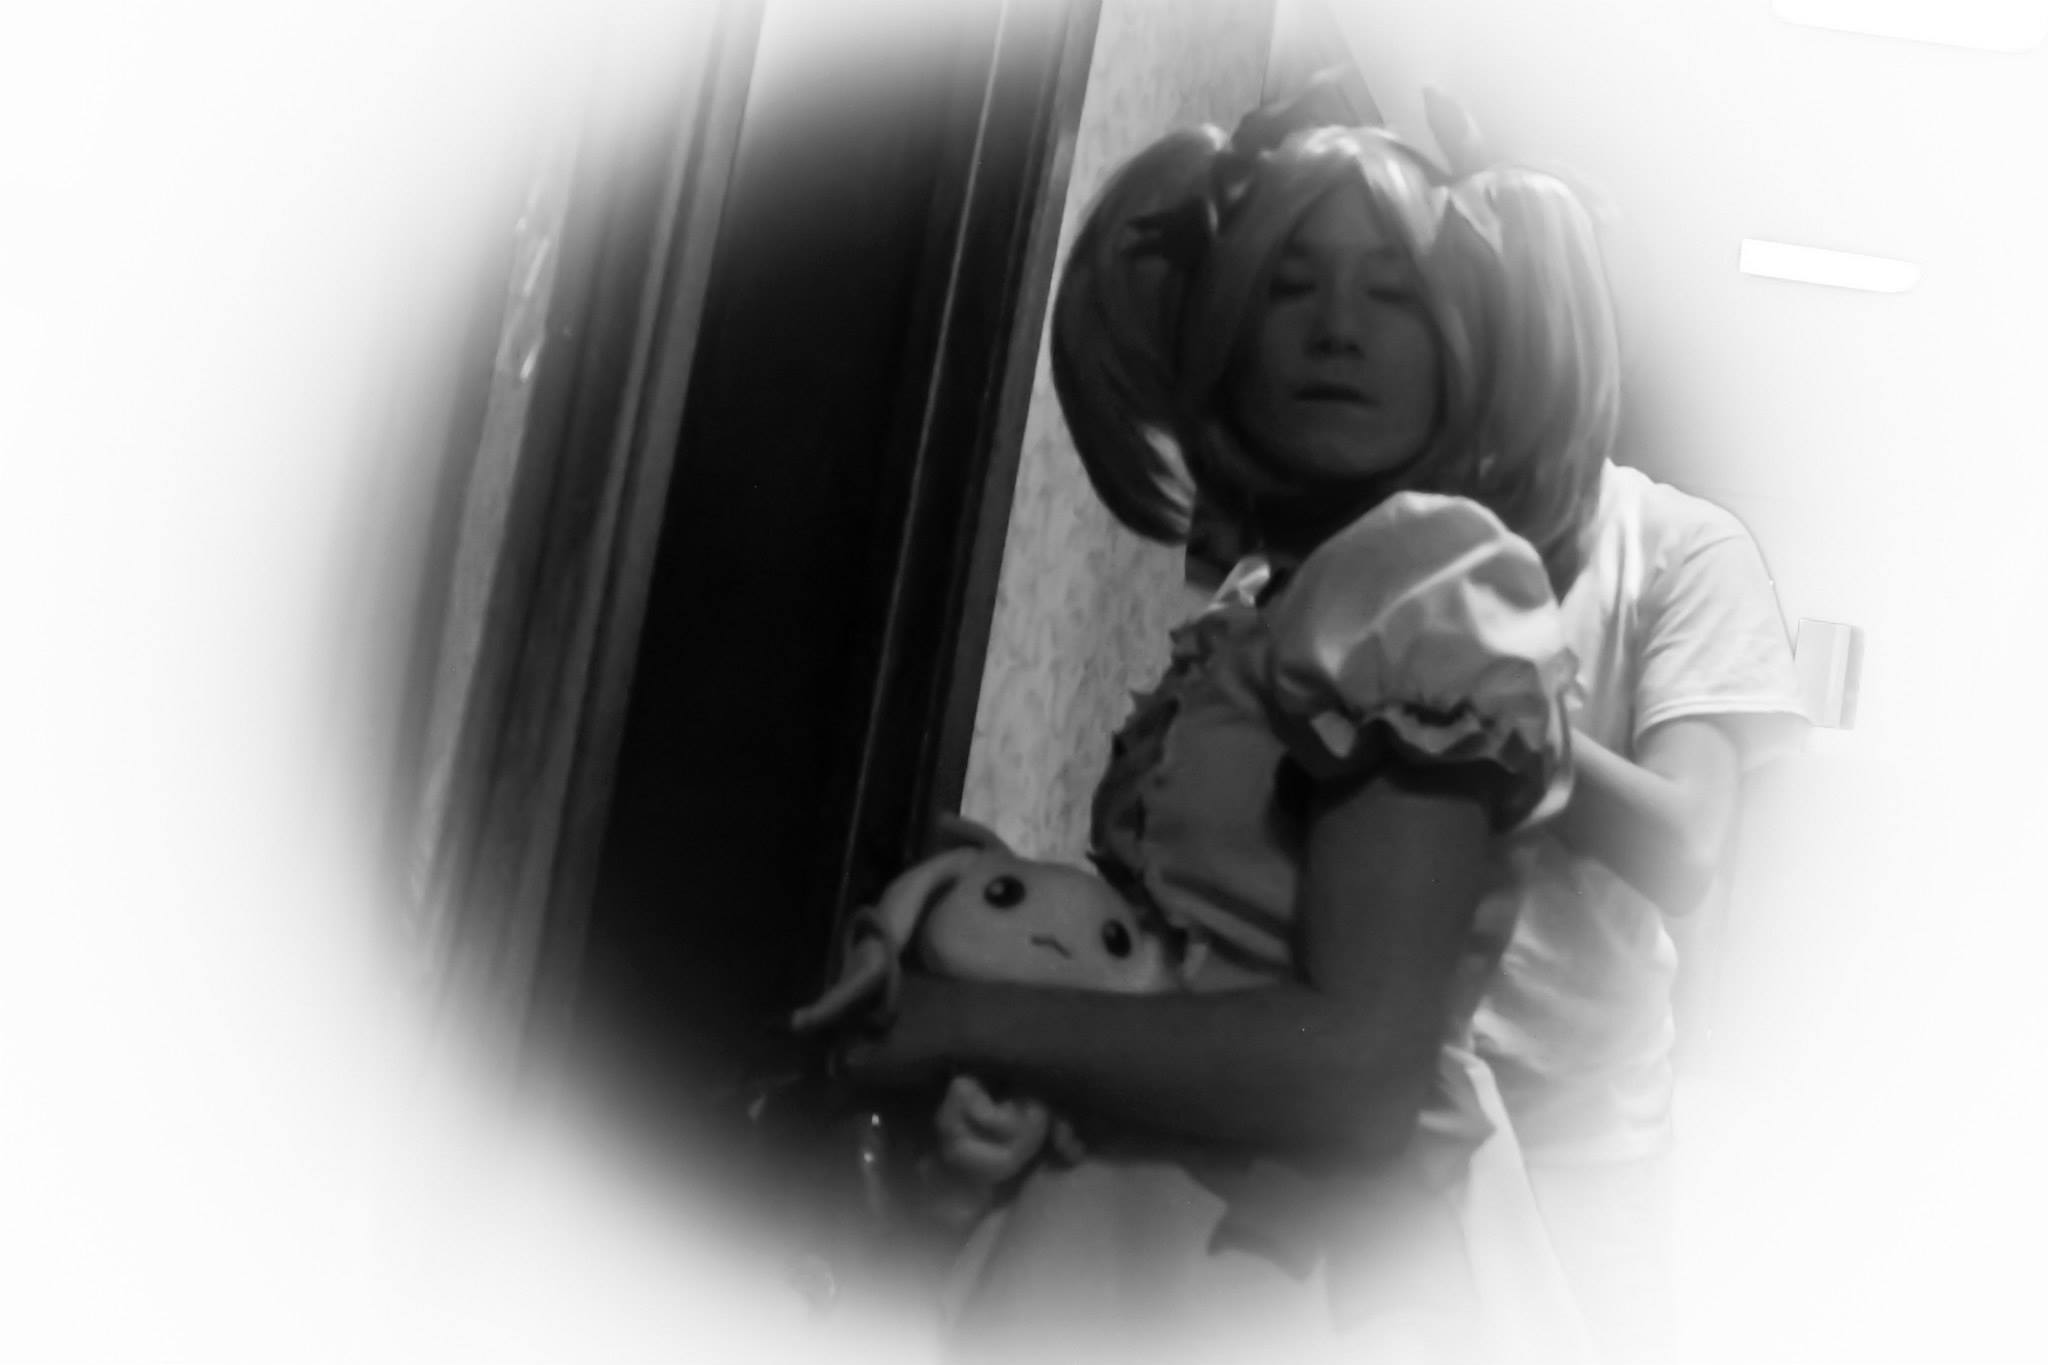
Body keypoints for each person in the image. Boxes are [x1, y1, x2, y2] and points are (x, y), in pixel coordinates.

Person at [828, 106, 1632, 1365]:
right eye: (1286, 287)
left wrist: (960, 1021)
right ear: (1219, 340)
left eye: (1393, 294)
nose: (1336, 327)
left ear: (1463, 349)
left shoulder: (1423, 581)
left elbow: (1356, 1066)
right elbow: (1215, 941)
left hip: (1299, 1268)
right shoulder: (1278, 601)